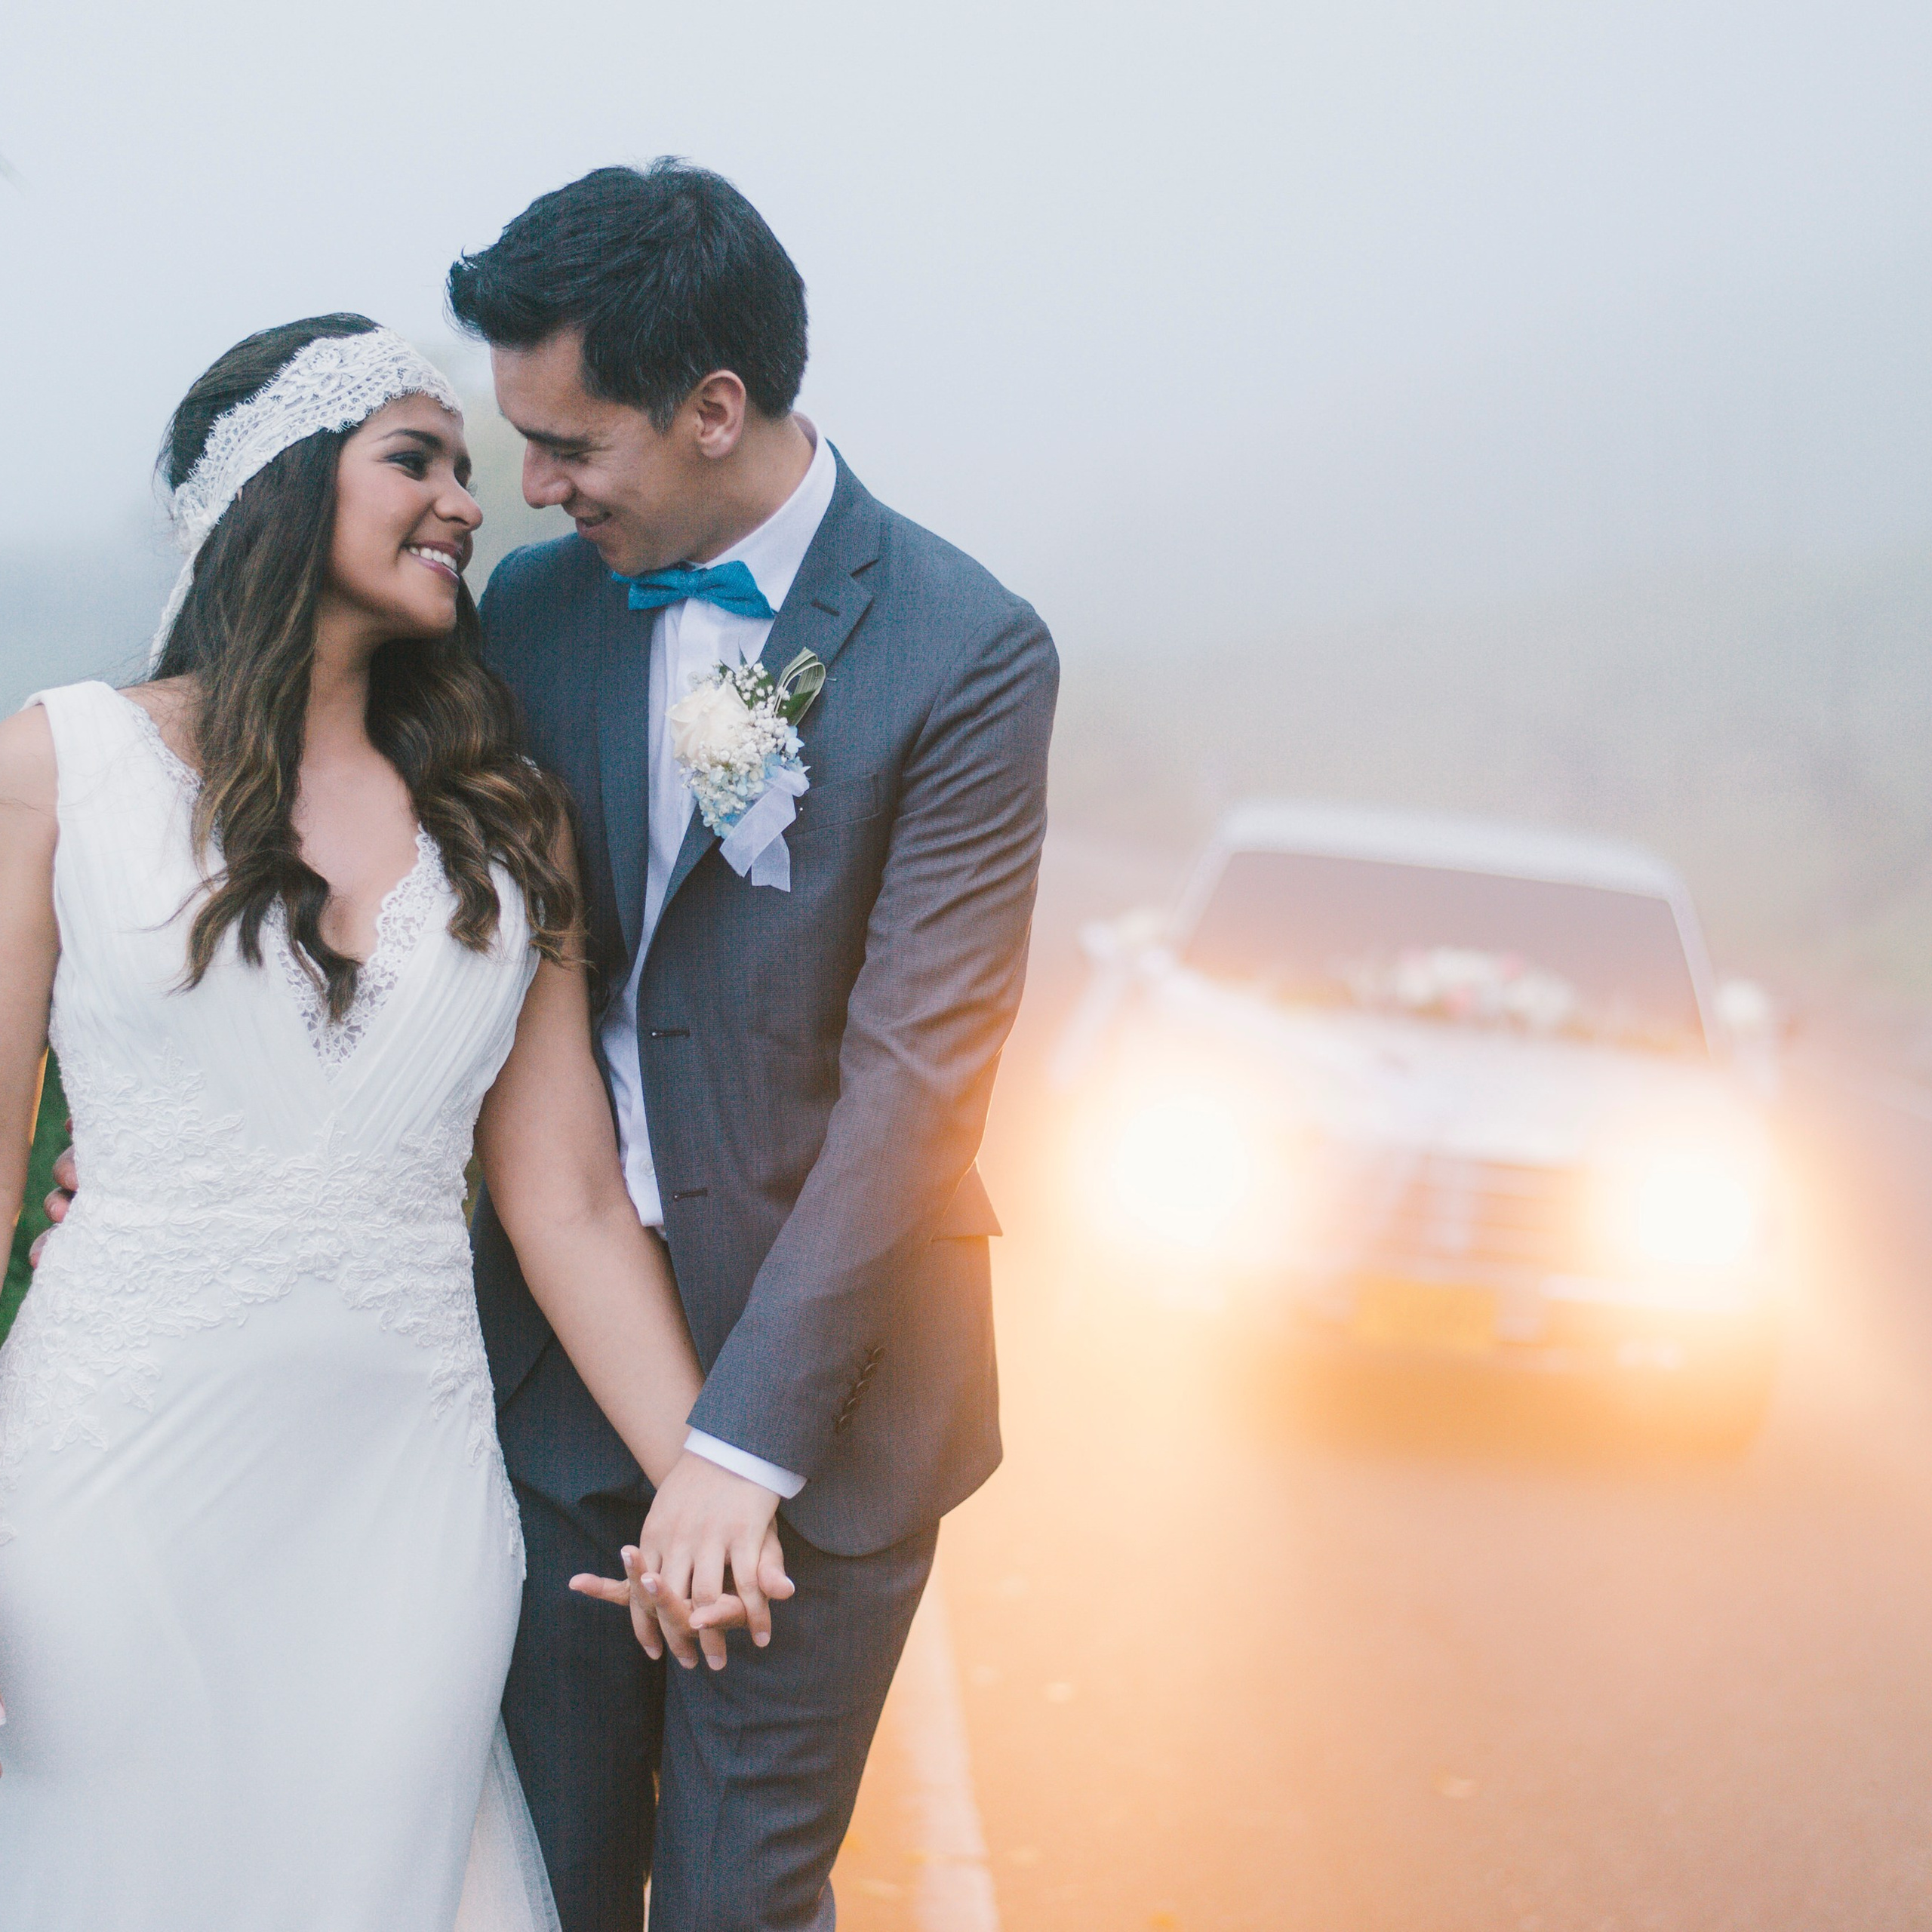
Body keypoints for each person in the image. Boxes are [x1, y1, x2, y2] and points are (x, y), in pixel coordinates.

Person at [0, 315, 780, 1931]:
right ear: (272, 495)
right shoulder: (53, 763)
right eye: (413, 458)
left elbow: (561, 1195)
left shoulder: (505, 819)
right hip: (104, 1486)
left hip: (404, 1517)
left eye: (468, 470)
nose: (465, 502)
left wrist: (706, 1471)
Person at [447, 162, 1059, 1931]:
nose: (534, 489)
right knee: (543, 1881)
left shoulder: (964, 649)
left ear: (715, 409)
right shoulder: (535, 618)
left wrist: (741, 1447)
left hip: (836, 1410)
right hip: (556, 1390)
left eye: (570, 445)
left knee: (734, 1900)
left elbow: (916, 1091)